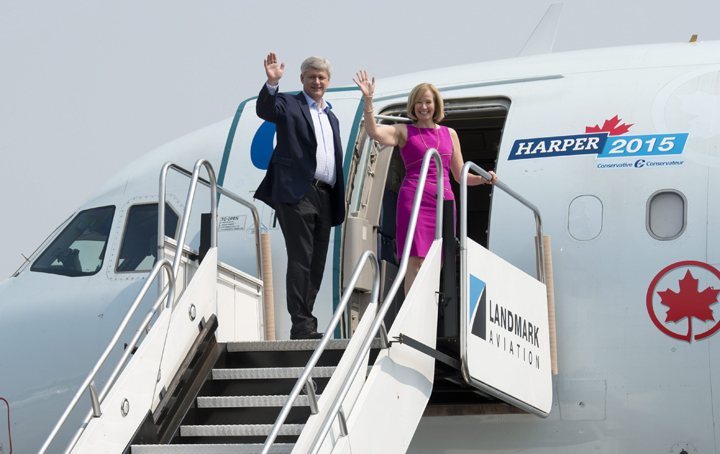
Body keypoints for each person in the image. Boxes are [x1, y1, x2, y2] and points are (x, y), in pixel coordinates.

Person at [353, 71, 498, 294]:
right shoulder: (404, 131)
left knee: (436, 262)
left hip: (444, 201)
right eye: (419, 102)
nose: (423, 107)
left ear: (435, 105)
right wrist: (368, 100)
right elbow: (373, 131)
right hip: (415, 198)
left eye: (428, 102)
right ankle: (412, 317)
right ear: (412, 106)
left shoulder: (450, 134)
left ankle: (427, 314)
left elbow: (459, 176)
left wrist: (482, 178)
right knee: (415, 261)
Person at [255, 53, 346, 340]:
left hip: (325, 195)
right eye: (311, 76)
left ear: (328, 82)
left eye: (321, 77)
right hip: (296, 192)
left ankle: (305, 323)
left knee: (316, 261)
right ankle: (302, 326)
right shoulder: (289, 104)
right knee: (301, 256)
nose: (316, 81)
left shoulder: (331, 116)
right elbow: (267, 111)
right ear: (302, 79)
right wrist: (272, 84)